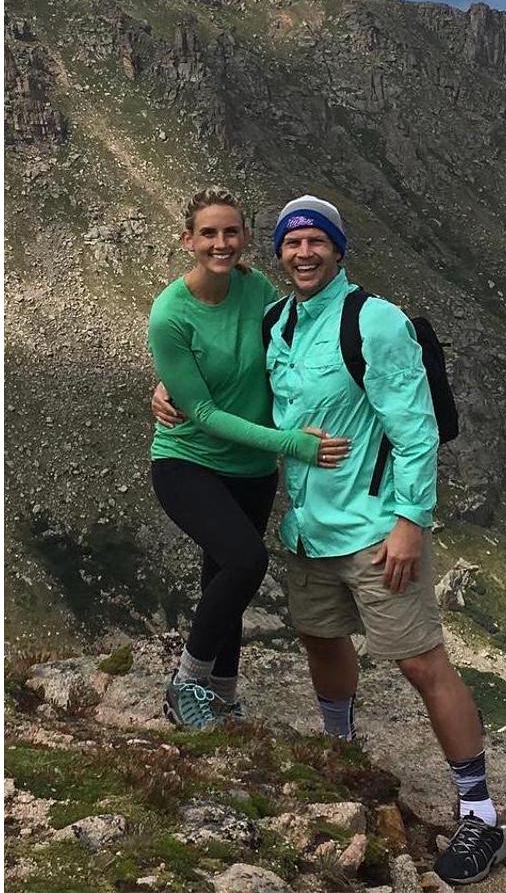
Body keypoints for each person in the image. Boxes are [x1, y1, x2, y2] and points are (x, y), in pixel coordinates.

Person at [156, 195, 506, 885]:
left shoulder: (373, 323)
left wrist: (412, 522)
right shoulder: (276, 318)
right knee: (321, 641)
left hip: (378, 532)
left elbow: (415, 429)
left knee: (420, 663)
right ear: (280, 254)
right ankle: (343, 757)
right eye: (293, 243)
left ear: (339, 249)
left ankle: (480, 816)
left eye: (318, 241)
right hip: (309, 532)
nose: (305, 253)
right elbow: (209, 361)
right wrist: (163, 388)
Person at [148, 187, 349, 731]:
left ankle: (222, 695)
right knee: (245, 562)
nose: (221, 243)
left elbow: (297, 342)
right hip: (188, 461)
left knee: (225, 577)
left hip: (252, 472)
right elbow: (205, 413)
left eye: (231, 232)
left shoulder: (256, 289)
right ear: (187, 239)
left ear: (245, 239)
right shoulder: (170, 315)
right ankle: (187, 681)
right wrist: (292, 443)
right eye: (208, 233)